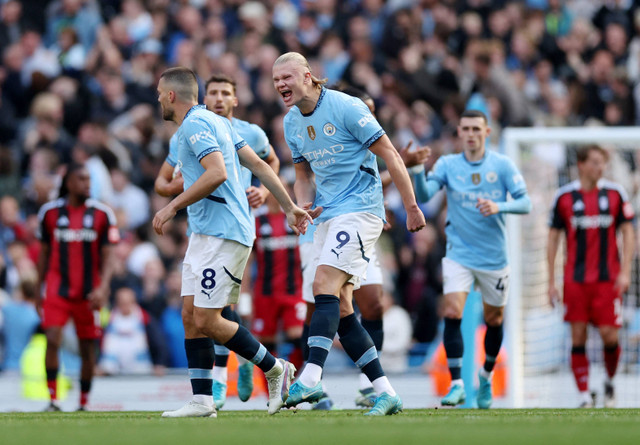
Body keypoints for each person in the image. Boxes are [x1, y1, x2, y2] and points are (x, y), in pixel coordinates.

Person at [272, 52, 426, 416]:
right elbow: (304, 175)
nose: (280, 85)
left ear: (308, 76)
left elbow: (390, 154)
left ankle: (310, 377)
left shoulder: (346, 107)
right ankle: (385, 391)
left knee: (322, 284)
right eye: (276, 79)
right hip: (327, 216)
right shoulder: (291, 123)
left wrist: (411, 206)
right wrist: (302, 207)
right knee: (341, 309)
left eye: (287, 77)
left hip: (361, 210)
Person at [152, 67, 311, 418]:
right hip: (205, 233)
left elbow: (218, 172)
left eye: (161, 93)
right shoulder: (216, 124)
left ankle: (274, 369)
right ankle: (202, 400)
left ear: (172, 96)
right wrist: (289, 207)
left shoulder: (195, 126)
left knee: (208, 319)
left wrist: (172, 206)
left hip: (225, 233)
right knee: (191, 316)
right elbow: (258, 163)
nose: (159, 98)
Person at [408, 109, 531, 409]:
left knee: (495, 319)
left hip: (493, 257)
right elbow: (424, 196)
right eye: (466, 129)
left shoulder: (501, 165)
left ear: (487, 132)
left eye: (477, 128)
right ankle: (457, 383)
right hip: (459, 253)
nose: (471, 134)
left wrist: (498, 206)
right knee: (452, 311)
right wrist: (414, 170)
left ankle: (486, 375)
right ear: (459, 133)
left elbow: (524, 202)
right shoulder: (448, 164)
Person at [547, 145, 635, 408]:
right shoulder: (564, 197)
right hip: (575, 280)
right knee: (578, 336)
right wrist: (551, 281)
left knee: (610, 335)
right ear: (582, 164)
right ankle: (584, 396)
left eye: (603, 163)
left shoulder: (615, 193)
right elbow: (553, 238)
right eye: (595, 162)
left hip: (608, 279)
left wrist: (626, 271)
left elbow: (628, 232)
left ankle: (609, 381)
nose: (600, 168)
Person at [37, 162, 119, 411]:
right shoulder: (49, 213)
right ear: (69, 182)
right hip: (57, 289)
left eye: (88, 179)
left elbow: (109, 256)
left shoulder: (103, 214)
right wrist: (38, 288)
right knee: (52, 339)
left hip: (88, 292)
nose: (87, 184)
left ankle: (83, 402)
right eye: (81, 179)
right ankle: (53, 399)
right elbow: (44, 252)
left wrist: (104, 287)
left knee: (87, 347)